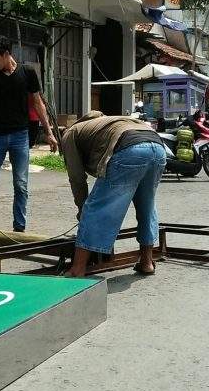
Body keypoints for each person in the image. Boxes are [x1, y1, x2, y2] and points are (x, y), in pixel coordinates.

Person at [60, 111, 166, 277]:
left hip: (129, 148)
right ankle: (146, 262)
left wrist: (82, 208)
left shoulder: (71, 133)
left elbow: (77, 179)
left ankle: (77, 268)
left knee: (96, 208)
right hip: (158, 147)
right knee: (147, 206)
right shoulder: (108, 121)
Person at [0, 37, 58, 232]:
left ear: (7, 54)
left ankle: (19, 226)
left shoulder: (27, 72)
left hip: (20, 136)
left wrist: (48, 132)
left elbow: (38, 102)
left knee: (21, 184)